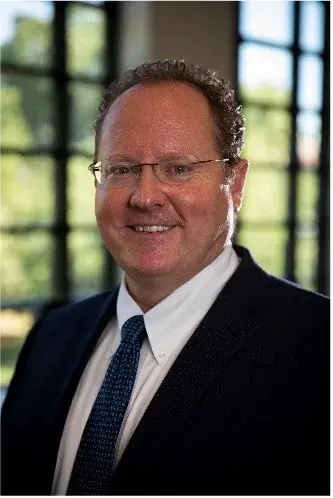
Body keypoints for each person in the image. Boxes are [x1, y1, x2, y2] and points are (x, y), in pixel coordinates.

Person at [1, 60, 329, 496]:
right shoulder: (51, 337)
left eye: (178, 168)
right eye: (122, 169)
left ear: (235, 183)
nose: (145, 197)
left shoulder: (318, 348)